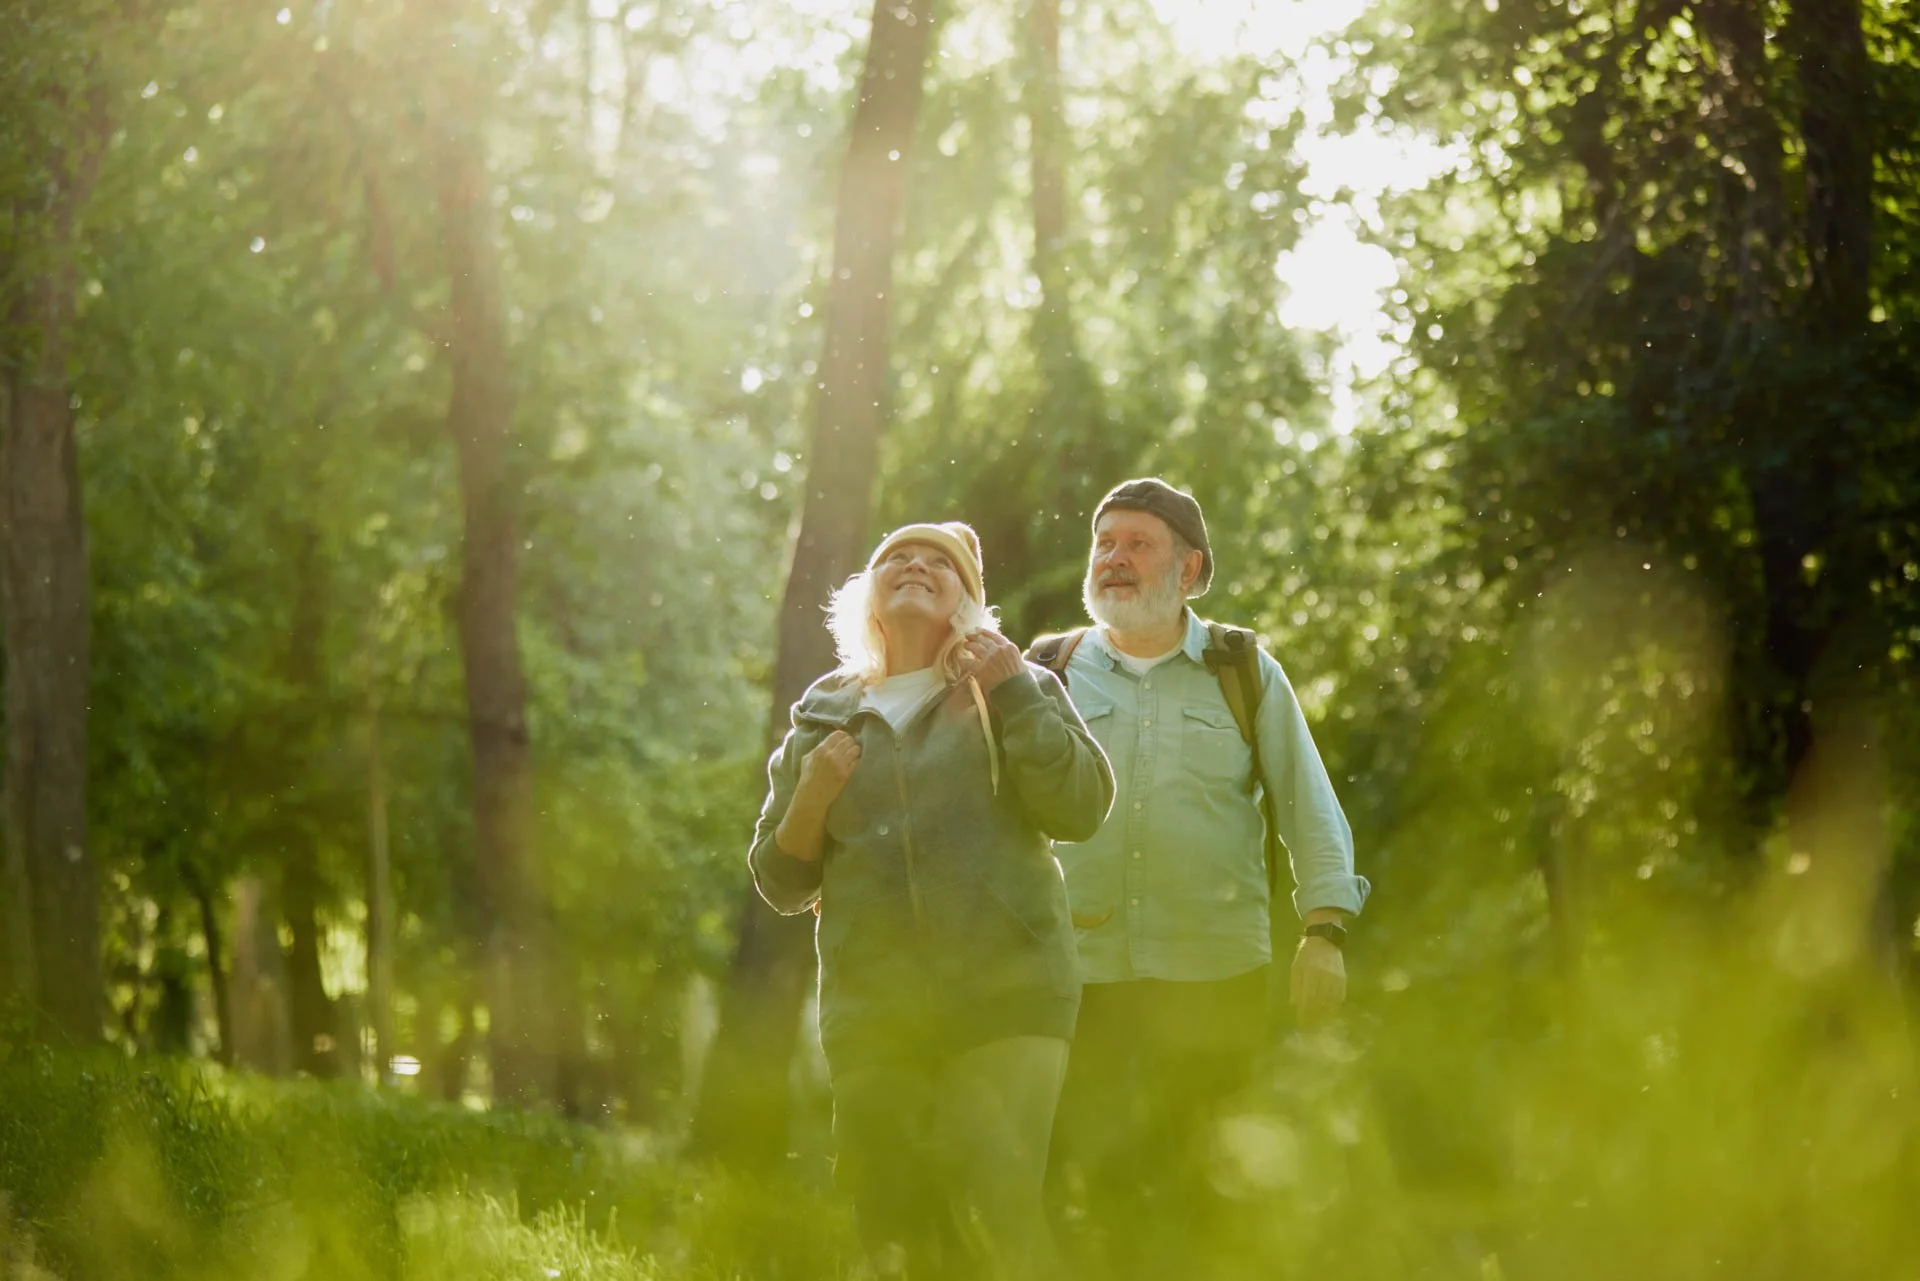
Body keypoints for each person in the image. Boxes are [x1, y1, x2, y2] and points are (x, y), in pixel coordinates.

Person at [748, 521, 1115, 1281]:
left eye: (939, 563)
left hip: (1009, 991)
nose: (916, 566)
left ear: (967, 600)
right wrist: (813, 793)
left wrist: (1013, 690)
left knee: (993, 1209)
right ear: (869, 598)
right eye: (896, 559)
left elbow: (1080, 806)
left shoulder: (1016, 685)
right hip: (876, 1008)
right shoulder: (822, 713)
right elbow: (780, 879)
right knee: (893, 1222)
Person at [1033, 478, 1371, 1275]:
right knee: (1072, 1194)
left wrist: (1324, 930)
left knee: (1203, 1193)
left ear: (1189, 570)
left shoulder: (1244, 670)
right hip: (1070, 979)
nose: (1114, 558)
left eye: (1138, 543)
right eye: (1104, 541)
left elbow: (1308, 802)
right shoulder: (1045, 671)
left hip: (1213, 975)